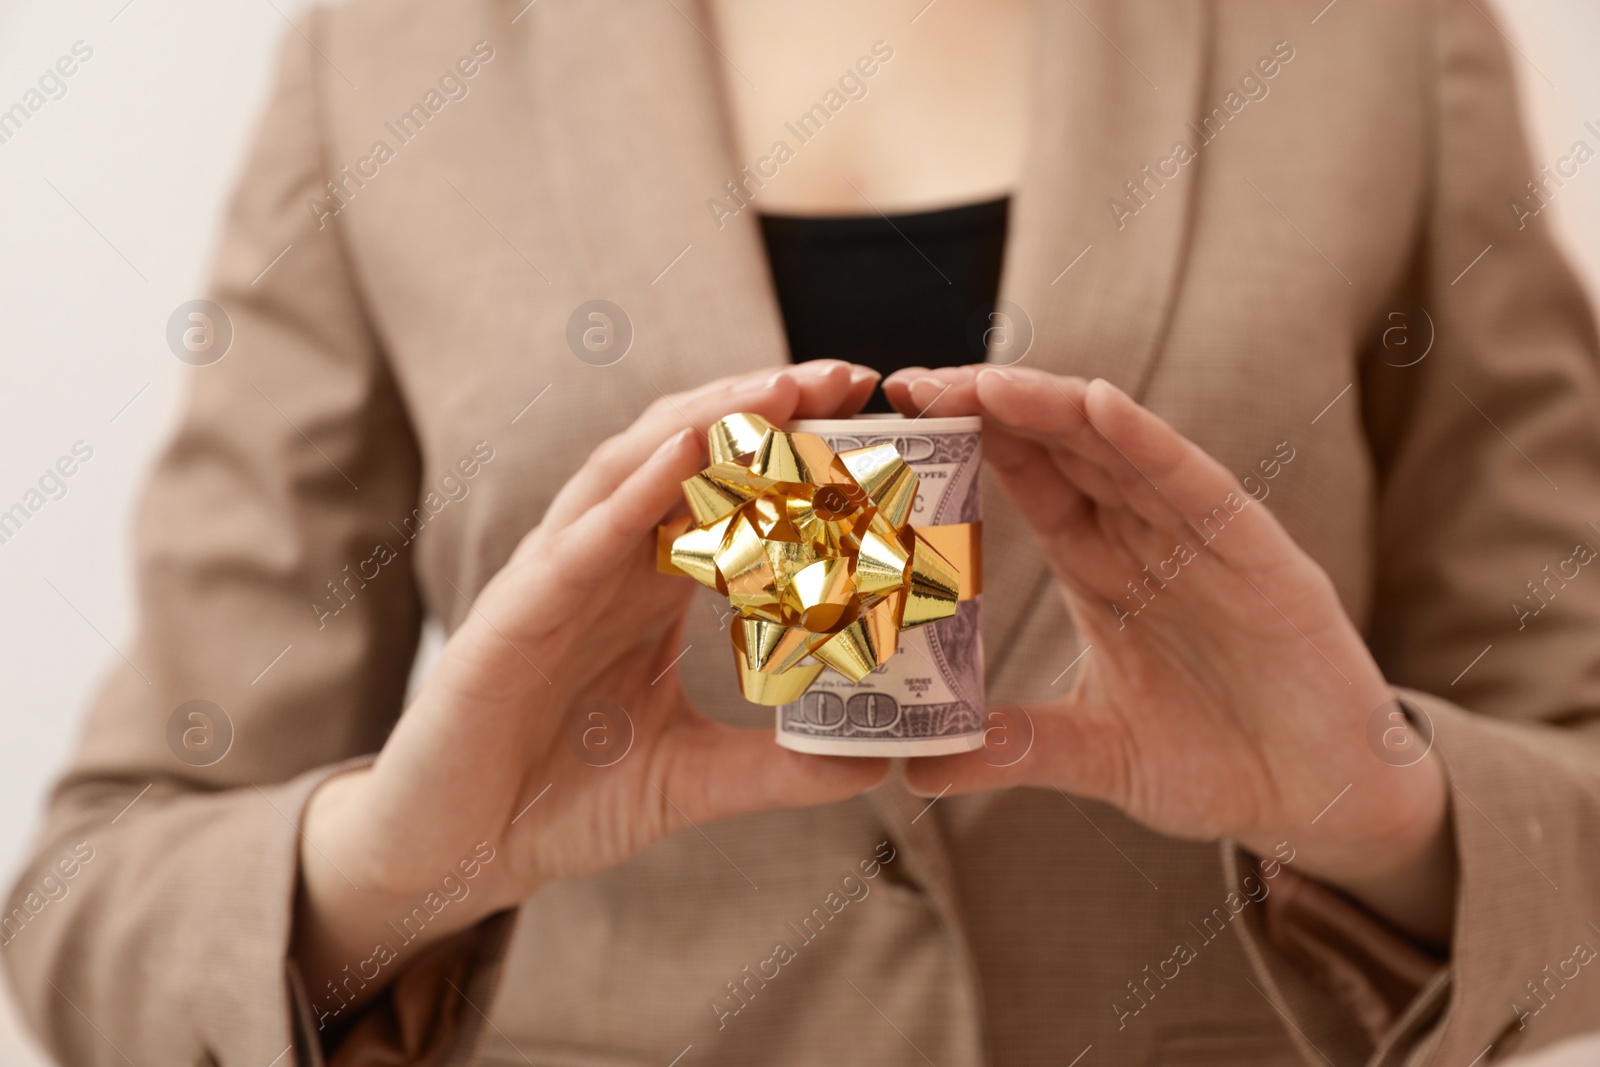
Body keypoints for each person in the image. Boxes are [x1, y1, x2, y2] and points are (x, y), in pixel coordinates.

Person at [7, 0, 1600, 1064]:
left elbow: (1572, 765)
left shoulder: (1371, 32)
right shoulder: (396, 47)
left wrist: (1385, 813)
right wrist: (391, 870)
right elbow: (94, 897)